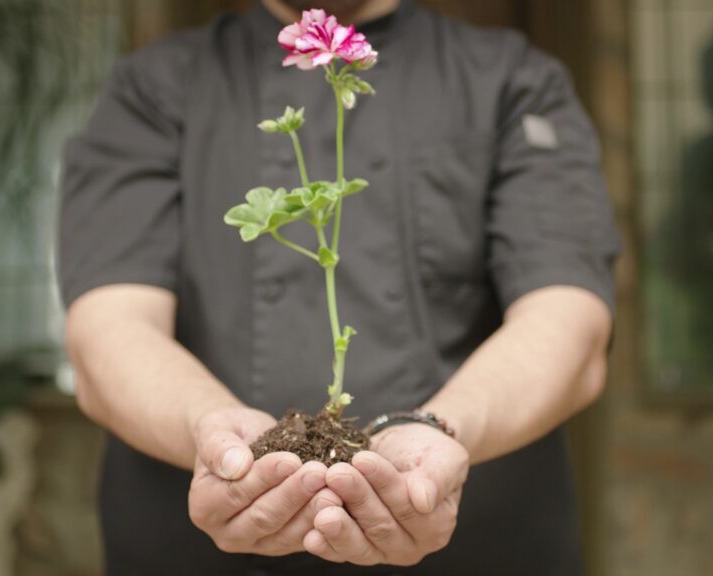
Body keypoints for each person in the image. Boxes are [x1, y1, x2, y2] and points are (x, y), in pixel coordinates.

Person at [58, 0, 621, 574]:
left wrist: (437, 433)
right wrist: (216, 435)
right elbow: (107, 329)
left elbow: (568, 320)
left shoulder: (515, 80)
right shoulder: (154, 86)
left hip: (477, 547)